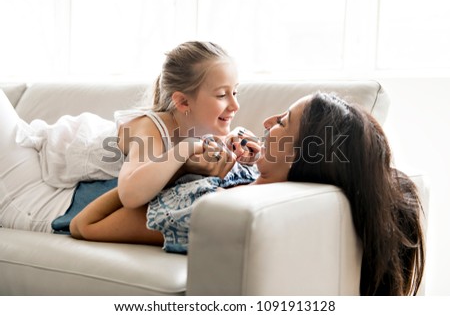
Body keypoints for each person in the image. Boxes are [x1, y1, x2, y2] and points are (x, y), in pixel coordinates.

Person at [70, 92, 425, 295]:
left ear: (300, 158)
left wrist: (178, 164)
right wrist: (260, 165)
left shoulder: (205, 207)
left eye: (283, 121)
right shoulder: (260, 183)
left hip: (61, 190)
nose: (267, 122)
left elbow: (84, 224)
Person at [0, 41, 246, 233]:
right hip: (32, 167)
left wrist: (235, 143)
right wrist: (188, 149)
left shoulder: (193, 127)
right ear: (182, 102)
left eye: (235, 92)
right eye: (223, 95)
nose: (235, 104)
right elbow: (130, 193)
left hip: (52, 174)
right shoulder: (151, 128)